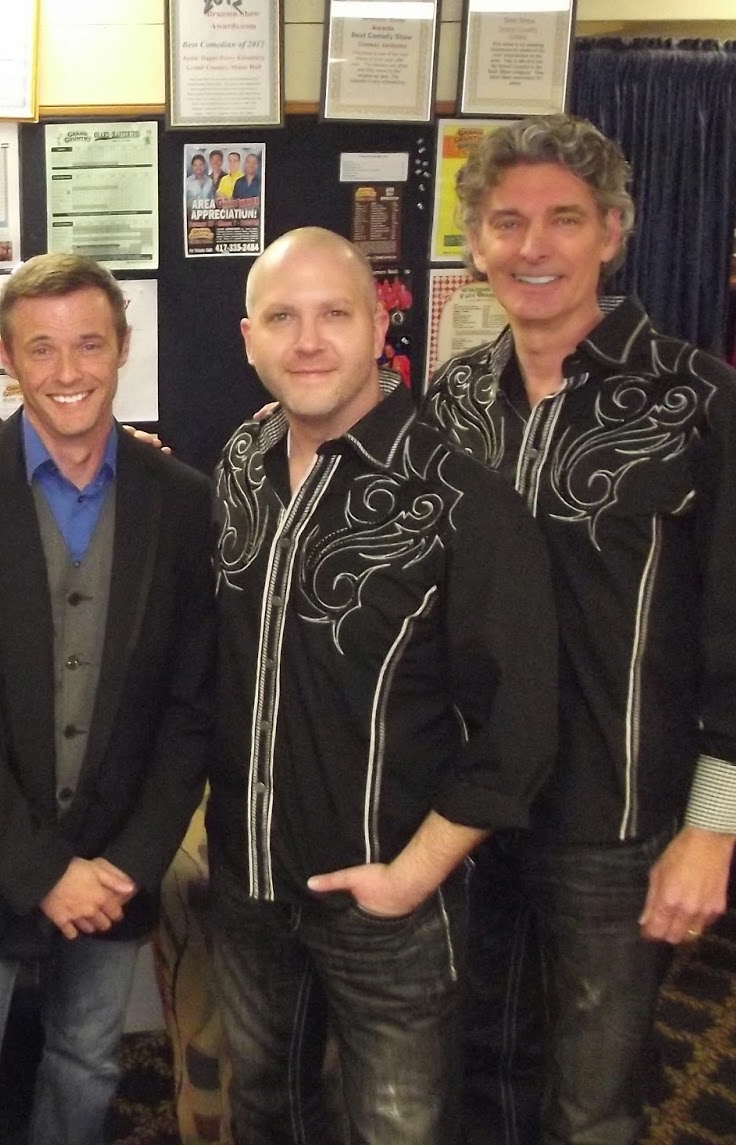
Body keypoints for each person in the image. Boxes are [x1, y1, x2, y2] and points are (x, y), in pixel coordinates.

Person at [426, 112, 736, 1145]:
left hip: (616, 819)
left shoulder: (699, 401)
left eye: (564, 219)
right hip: (472, 811)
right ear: (476, 242)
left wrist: (714, 831)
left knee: (592, 1098)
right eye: (507, 222)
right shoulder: (452, 401)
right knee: (477, 1067)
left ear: (612, 232)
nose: (532, 247)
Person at [209, 227, 558, 1144]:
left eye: (335, 314)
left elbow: (520, 724)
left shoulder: (463, 502)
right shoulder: (242, 461)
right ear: (248, 338)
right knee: (266, 1108)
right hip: (250, 886)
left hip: (388, 903)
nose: (308, 341)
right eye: (282, 318)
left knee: (397, 1128)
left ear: (378, 328)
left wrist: (412, 876)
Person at [0, 252, 214, 1145]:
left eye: (89, 345)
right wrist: (43, 872)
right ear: (7, 356)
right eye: (42, 348)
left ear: (124, 347)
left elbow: (192, 709)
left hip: (113, 866)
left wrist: (130, 862)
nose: (68, 371)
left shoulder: (185, 505)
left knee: (85, 1074)